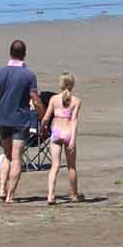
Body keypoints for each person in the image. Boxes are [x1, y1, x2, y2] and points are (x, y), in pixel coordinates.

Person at [0, 40, 40, 205]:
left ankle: (2, 188)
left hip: (4, 119)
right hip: (20, 120)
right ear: (24, 54)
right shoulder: (29, 75)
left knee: (7, 155)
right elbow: (36, 100)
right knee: (16, 158)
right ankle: (10, 195)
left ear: (10, 53)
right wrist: (43, 117)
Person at [43, 72, 83, 206]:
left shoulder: (54, 99)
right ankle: (74, 195)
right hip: (68, 133)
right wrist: (72, 139)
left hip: (56, 133)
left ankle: (50, 195)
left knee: (55, 166)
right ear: (72, 85)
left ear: (60, 85)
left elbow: (47, 117)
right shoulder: (76, 101)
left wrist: (43, 127)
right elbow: (74, 120)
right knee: (71, 167)